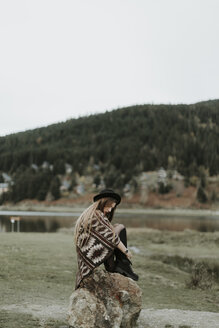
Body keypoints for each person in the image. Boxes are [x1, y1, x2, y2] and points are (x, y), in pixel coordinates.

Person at [74, 189, 139, 289]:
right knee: (120, 228)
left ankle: (120, 265)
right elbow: (111, 237)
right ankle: (121, 265)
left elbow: (107, 234)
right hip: (91, 253)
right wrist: (126, 252)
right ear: (102, 203)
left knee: (116, 226)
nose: (109, 210)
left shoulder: (91, 213)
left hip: (89, 253)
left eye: (112, 208)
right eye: (108, 207)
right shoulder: (97, 214)